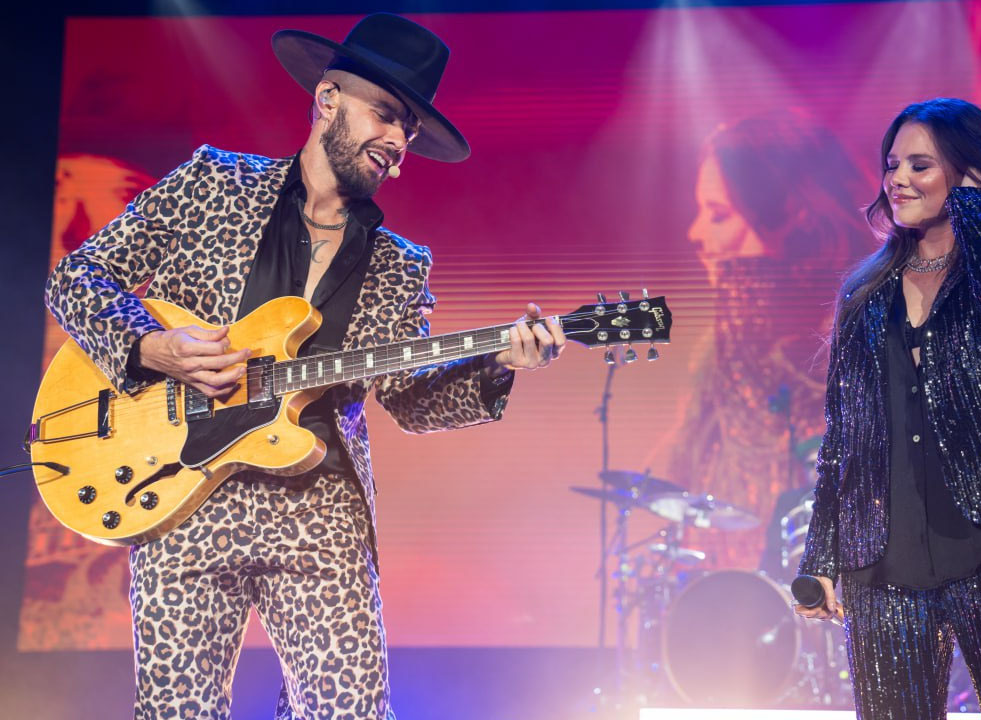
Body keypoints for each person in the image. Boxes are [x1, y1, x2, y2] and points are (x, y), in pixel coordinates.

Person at [44, 14, 565, 720]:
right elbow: (77, 278)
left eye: (407, 129)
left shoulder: (397, 265)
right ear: (327, 100)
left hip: (318, 511)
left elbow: (412, 402)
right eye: (385, 115)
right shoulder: (212, 184)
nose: (397, 144)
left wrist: (501, 363)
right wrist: (150, 347)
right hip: (183, 492)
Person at [794, 98, 981, 720]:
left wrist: (977, 211)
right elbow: (843, 438)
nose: (897, 179)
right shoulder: (866, 292)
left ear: (970, 174)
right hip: (882, 561)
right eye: (892, 164)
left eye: (921, 166)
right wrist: (822, 557)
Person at [672, 108, 868, 569]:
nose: (695, 234)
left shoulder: (861, 342)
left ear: (796, 224)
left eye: (718, 215)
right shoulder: (715, 353)